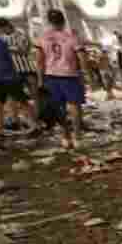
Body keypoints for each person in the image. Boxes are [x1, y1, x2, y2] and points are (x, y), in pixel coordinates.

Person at [37, 9, 87, 149]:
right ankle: (77, 137)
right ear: (63, 20)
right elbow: (82, 57)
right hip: (70, 75)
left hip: (51, 76)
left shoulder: (43, 38)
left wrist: (40, 80)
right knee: (74, 107)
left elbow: (39, 61)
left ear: (48, 21)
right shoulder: (72, 36)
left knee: (59, 108)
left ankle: (65, 136)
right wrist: (85, 74)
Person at [0, 19, 31, 135]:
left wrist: (10, 48)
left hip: (19, 72)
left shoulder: (5, 40)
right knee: (3, 102)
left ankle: (34, 124)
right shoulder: (2, 40)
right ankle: (7, 124)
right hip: (3, 77)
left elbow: (24, 51)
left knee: (23, 100)